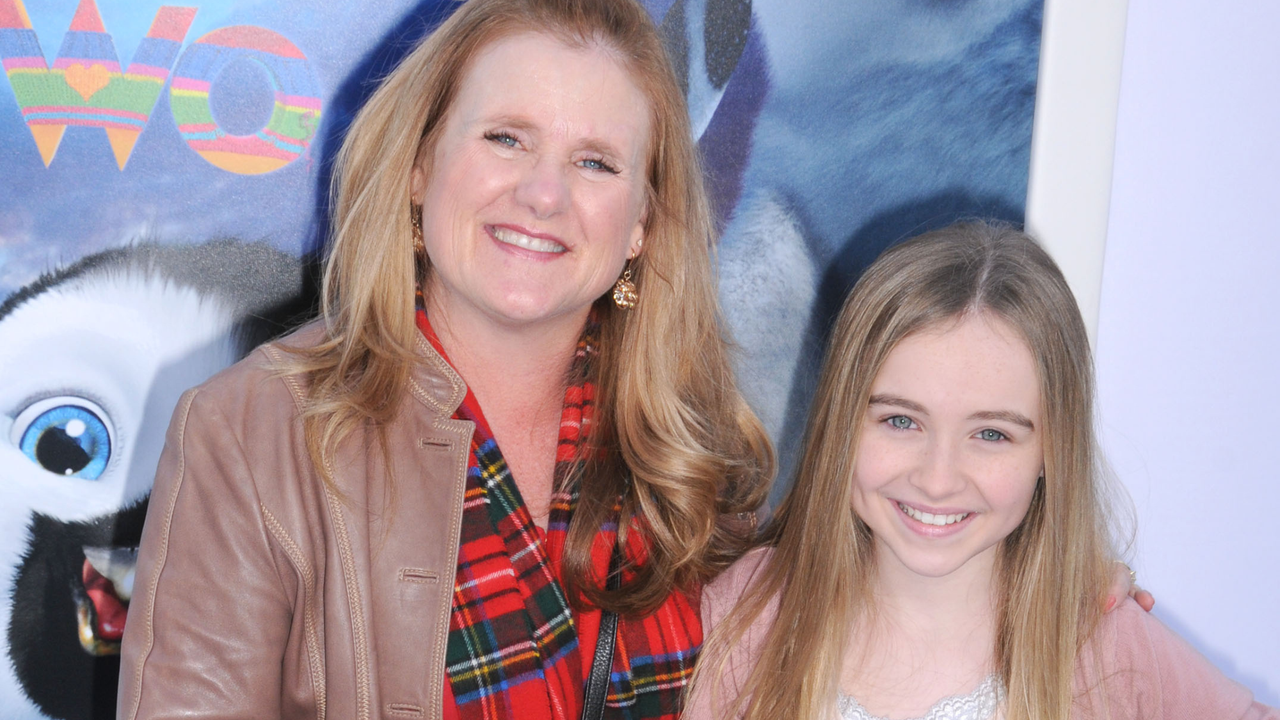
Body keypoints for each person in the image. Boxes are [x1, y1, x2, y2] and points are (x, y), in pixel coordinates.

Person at [116, 1, 773, 718]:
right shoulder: (250, 434)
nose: (543, 194)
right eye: (506, 139)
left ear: (642, 223)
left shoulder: (695, 455)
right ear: (418, 168)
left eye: (595, 162)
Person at [685, 221, 1277, 720]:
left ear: (1053, 450)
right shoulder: (740, 616)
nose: (938, 479)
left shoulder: (1106, 650)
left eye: (991, 434)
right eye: (900, 421)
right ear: (842, 419)